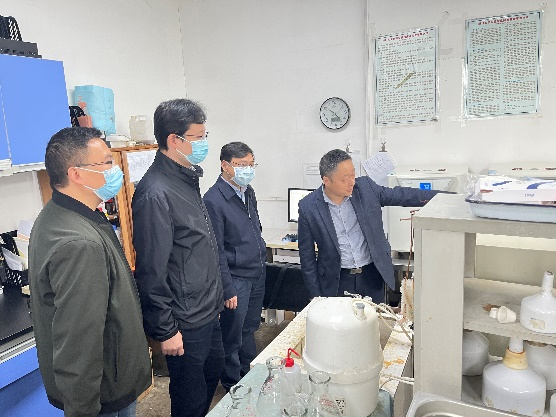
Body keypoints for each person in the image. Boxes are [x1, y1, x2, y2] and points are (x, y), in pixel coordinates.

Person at [28, 127, 151, 417]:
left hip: (111, 375)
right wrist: (82, 410)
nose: (115, 169)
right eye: (106, 162)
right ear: (77, 174)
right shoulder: (79, 242)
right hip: (105, 391)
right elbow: (78, 339)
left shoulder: (63, 214)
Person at [132, 99, 224, 417]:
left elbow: (199, 247)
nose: (204, 143)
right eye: (198, 137)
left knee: (211, 377)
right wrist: (166, 330)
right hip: (184, 320)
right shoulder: (155, 193)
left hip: (206, 310)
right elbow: (151, 271)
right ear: (174, 139)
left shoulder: (186, 178)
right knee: (189, 397)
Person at [298, 149, 439, 303]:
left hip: (371, 275)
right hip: (337, 281)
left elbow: (401, 195)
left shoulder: (366, 188)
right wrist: (315, 296)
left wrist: (442, 197)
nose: (352, 182)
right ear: (327, 181)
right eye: (344, 179)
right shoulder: (308, 207)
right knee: (342, 318)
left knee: (375, 316)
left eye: (353, 175)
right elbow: (307, 257)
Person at [203, 142, 266, 392]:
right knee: (232, 335)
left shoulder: (248, 192)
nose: (248, 170)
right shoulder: (213, 200)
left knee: (249, 329)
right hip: (235, 279)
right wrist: (227, 288)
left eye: (251, 164)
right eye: (241, 165)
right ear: (225, 165)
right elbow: (216, 250)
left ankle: (249, 375)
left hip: (256, 273)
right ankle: (232, 383)